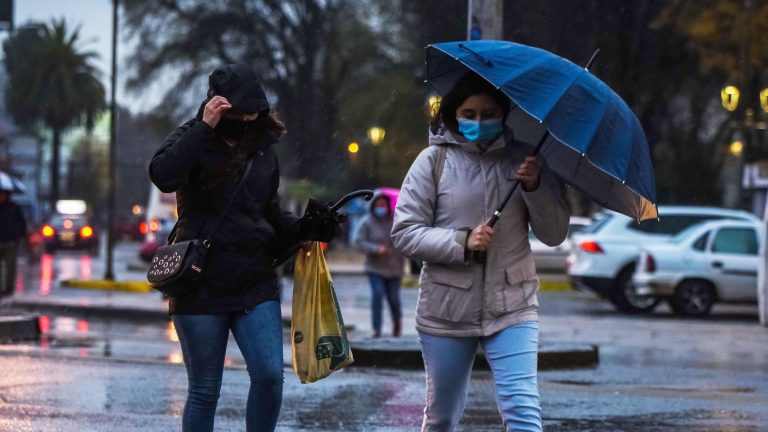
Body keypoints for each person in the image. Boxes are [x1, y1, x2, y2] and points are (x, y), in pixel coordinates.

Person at [149, 63, 341, 432]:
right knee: (205, 389)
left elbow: (268, 211)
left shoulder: (263, 148)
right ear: (216, 107)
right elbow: (163, 175)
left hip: (254, 279)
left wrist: (302, 229)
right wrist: (203, 127)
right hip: (199, 282)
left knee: (269, 376)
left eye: (251, 115)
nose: (244, 122)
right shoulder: (194, 136)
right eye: (235, 116)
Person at [391, 72, 569, 432]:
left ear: (503, 114)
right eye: (469, 114)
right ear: (454, 114)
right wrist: (462, 242)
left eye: (489, 114)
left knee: (523, 410)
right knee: (441, 418)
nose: (479, 121)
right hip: (447, 309)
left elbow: (553, 235)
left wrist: (535, 187)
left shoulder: (526, 161)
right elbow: (405, 233)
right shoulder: (433, 161)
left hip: (513, 305)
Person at [353, 193, 405, 338]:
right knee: (377, 294)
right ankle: (376, 328)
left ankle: (397, 323)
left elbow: (405, 239)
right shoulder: (367, 222)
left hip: (394, 267)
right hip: (374, 267)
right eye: (378, 205)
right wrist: (376, 249)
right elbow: (359, 242)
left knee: (394, 299)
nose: (381, 208)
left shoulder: (396, 221)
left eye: (383, 205)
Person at [0, 189, 27, 298]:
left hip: (10, 241)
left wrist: (20, 236)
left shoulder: (14, 208)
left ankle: (9, 288)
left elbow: (22, 223)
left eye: (3, 194)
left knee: (10, 266)